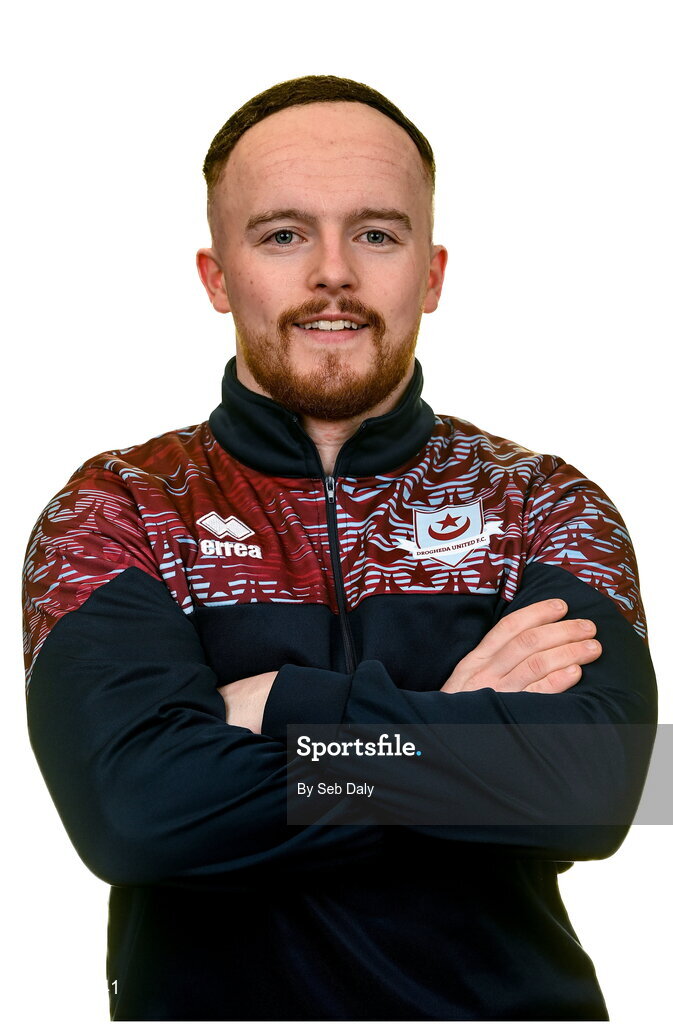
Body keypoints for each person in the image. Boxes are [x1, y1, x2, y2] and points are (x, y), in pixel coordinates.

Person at [23, 75, 657, 1022]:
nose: (332, 272)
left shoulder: (542, 502)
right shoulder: (119, 509)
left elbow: (600, 783)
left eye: (375, 233)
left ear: (431, 272)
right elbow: (138, 815)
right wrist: (463, 745)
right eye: (283, 234)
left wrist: (286, 705)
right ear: (217, 275)